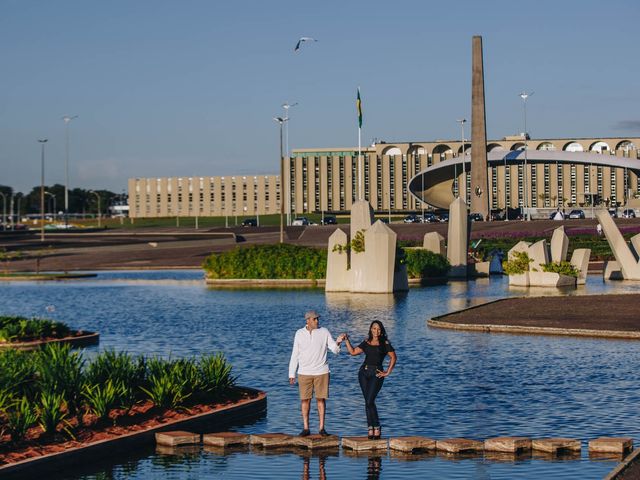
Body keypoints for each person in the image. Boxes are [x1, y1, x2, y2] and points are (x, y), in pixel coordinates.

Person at [289, 310, 345, 437]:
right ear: (307, 320)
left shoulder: (324, 331)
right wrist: (291, 373)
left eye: (317, 319)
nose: (317, 321)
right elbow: (295, 354)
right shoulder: (299, 333)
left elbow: (335, 350)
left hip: (322, 371)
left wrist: (338, 341)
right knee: (305, 401)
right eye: (314, 319)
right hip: (304, 372)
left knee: (321, 400)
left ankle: (321, 428)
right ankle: (306, 428)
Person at [343, 321, 397, 440]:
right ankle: (370, 428)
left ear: (381, 330)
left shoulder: (385, 343)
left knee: (369, 401)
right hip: (363, 373)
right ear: (371, 329)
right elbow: (352, 352)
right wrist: (346, 340)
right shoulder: (366, 342)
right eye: (374, 328)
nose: (376, 331)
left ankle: (376, 426)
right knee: (368, 402)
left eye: (378, 329)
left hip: (377, 374)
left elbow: (393, 357)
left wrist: (388, 372)